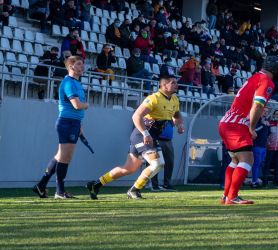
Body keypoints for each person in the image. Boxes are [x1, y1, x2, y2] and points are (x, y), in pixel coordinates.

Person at [86, 69, 184, 200]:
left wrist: (179, 124)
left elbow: (177, 114)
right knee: (157, 163)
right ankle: (134, 190)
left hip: (149, 136)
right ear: (164, 85)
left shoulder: (174, 99)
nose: (176, 85)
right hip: (142, 135)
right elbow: (136, 116)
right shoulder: (154, 98)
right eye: (173, 83)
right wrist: (145, 134)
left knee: (128, 169)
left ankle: (96, 184)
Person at [216, 55, 278, 204]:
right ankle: (232, 197)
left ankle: (226, 196)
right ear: (273, 68)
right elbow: (258, 105)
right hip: (237, 124)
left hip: (227, 122)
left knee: (235, 160)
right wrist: (251, 127)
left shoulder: (255, 77)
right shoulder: (266, 81)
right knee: (247, 160)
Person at [34, 55, 88, 199]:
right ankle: (59, 191)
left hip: (73, 123)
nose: (82, 66)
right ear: (71, 66)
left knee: (60, 156)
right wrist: (86, 105)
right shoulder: (69, 82)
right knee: (65, 157)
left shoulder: (76, 83)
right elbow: (77, 105)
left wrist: (80, 124)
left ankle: (41, 185)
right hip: (67, 123)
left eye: (82, 64)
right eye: (79, 64)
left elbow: (77, 108)